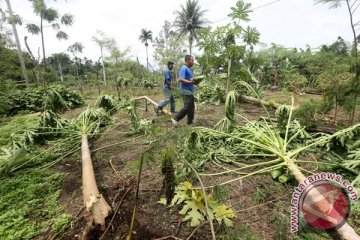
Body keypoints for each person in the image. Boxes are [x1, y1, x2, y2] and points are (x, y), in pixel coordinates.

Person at [171, 55, 196, 126]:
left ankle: (190, 122)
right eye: (192, 60)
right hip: (185, 91)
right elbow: (180, 79)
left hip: (190, 91)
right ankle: (175, 119)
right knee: (187, 107)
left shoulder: (189, 69)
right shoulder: (184, 68)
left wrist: (195, 82)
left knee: (191, 107)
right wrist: (191, 82)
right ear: (188, 60)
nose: (193, 62)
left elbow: (190, 80)